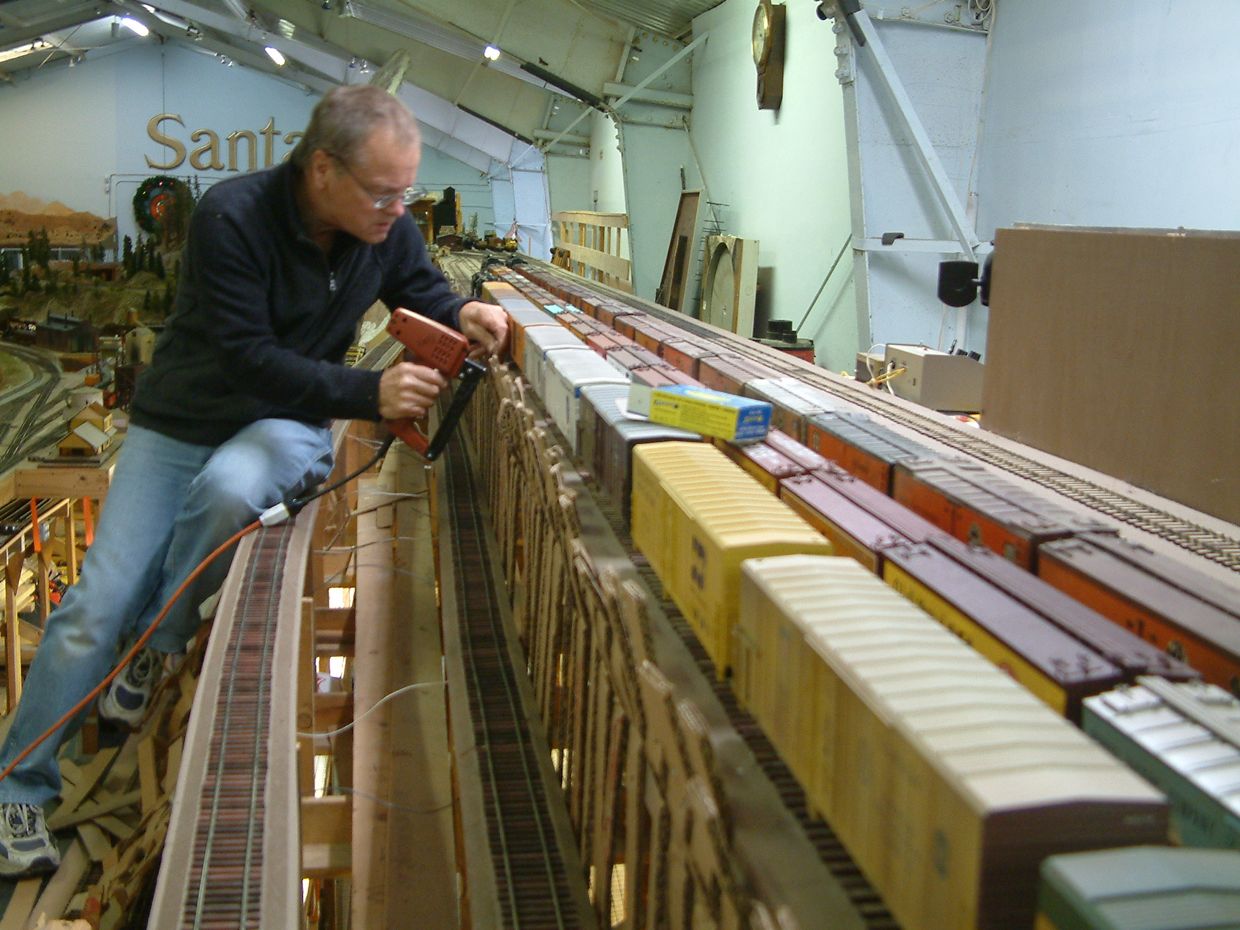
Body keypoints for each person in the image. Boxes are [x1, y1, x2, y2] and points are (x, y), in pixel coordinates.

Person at [0, 85, 507, 877]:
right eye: (381, 192)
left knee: (241, 483)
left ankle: (156, 644)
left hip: (277, 423)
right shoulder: (231, 217)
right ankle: (15, 791)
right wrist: (370, 396)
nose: (395, 209)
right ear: (321, 169)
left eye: (405, 192)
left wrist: (466, 311)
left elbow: (421, 289)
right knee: (93, 606)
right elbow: (248, 357)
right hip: (182, 422)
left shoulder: (385, 225)